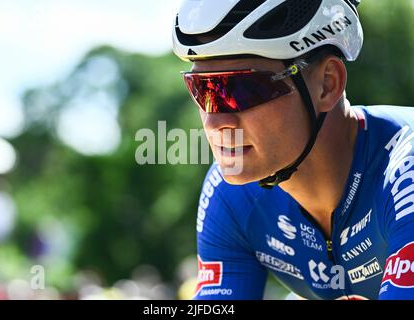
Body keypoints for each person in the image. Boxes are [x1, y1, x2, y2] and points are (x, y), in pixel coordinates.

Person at [172, 0, 414, 300]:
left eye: (241, 91)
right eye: (201, 91)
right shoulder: (229, 196)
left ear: (327, 84)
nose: (214, 122)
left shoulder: (406, 171)